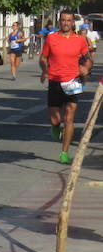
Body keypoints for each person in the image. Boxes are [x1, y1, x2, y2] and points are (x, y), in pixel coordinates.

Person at [40, 10, 92, 164]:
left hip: (73, 81)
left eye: (69, 20)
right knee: (55, 118)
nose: (66, 23)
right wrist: (44, 70)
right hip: (55, 80)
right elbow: (43, 58)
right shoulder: (51, 38)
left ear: (73, 22)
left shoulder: (80, 40)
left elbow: (87, 59)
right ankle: (55, 127)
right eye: (63, 20)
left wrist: (86, 69)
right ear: (59, 21)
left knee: (69, 118)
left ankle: (64, 153)